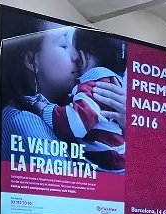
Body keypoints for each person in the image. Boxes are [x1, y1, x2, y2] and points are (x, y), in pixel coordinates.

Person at [0, 19, 126, 163]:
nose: (77, 56)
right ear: (31, 60)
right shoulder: (23, 122)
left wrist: (125, 126)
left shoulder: (77, 104)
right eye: (64, 45)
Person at [27, 28, 127, 172]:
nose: (73, 57)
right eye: (63, 45)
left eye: (70, 47)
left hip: (107, 173)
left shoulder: (96, 83)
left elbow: (76, 120)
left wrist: (43, 109)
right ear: (31, 60)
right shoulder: (107, 80)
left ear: (84, 57)